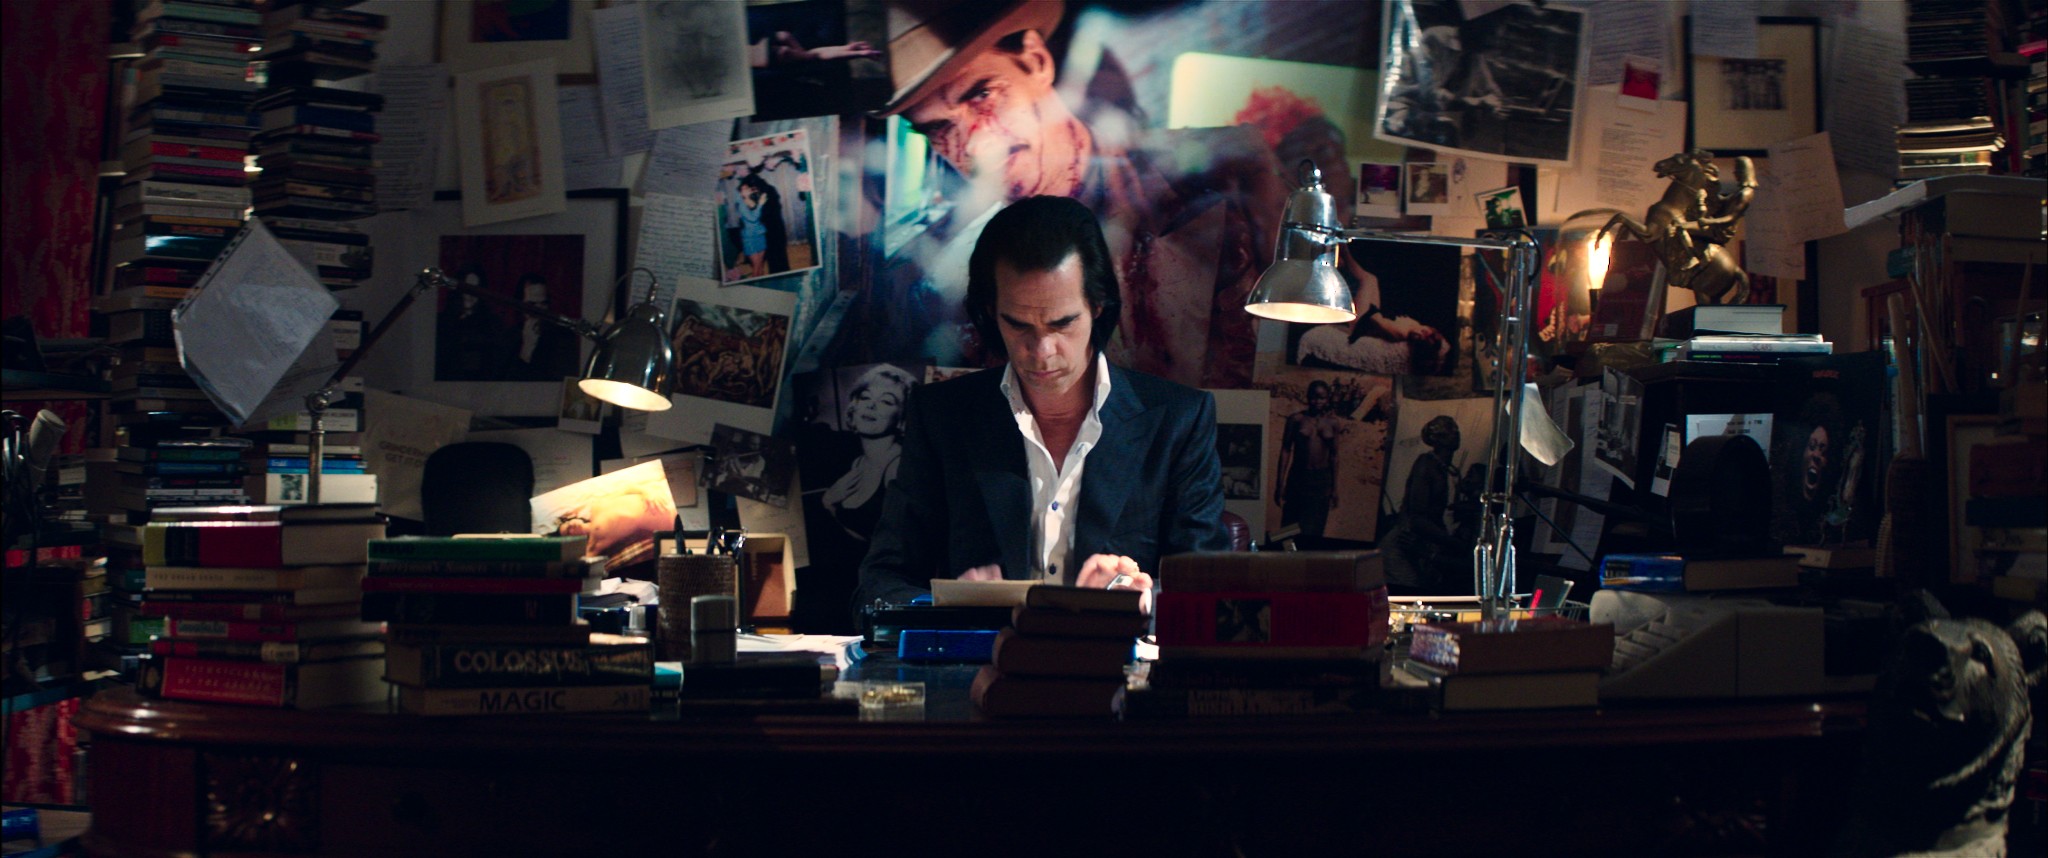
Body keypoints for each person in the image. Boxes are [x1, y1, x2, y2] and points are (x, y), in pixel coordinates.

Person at [862, 0, 1287, 388]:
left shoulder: (1221, 181)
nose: (974, 146)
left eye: (982, 95)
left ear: (1035, 62)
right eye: (939, 128)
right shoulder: (952, 284)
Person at [854, 196, 1231, 612]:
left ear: (1097, 306)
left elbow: (1209, 595)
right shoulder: (942, 416)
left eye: (1062, 323)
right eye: (1018, 325)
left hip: (1115, 652)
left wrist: (1144, 603)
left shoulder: (1178, 421)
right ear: (991, 313)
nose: (1041, 351)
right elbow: (880, 586)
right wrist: (950, 607)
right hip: (983, 653)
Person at [821, 363, 918, 542]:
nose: (871, 405)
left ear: (902, 418)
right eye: (865, 397)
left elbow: (897, 545)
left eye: (886, 401)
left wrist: (828, 504)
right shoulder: (857, 462)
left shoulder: (898, 469)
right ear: (854, 408)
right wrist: (829, 504)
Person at [1383, 415, 1465, 592]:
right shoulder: (1426, 465)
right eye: (1450, 431)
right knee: (1410, 590)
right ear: (1438, 439)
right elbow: (1417, 516)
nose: (1456, 434)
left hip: (1422, 544)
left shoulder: (1447, 469)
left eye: (1455, 430)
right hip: (1403, 543)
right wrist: (1451, 542)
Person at [1274, 380, 1345, 541]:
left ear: (1327, 399)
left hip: (1321, 479)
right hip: (1298, 476)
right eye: (1314, 397)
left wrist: (1334, 488)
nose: (1317, 402)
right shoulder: (1296, 420)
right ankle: (1285, 555)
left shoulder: (1333, 423)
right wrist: (1280, 484)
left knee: (1315, 526)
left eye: (1322, 398)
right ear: (1307, 397)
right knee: (1289, 524)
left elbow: (1334, 456)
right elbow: (1285, 450)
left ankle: (1307, 555)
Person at [436, 267, 506, 381]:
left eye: (475, 289)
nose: (470, 295)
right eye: (466, 288)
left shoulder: (492, 324)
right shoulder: (441, 322)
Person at [507, 274, 580, 381]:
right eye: (531, 304)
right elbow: (506, 382)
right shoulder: (509, 337)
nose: (538, 310)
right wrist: (526, 349)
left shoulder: (563, 336)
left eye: (543, 304)